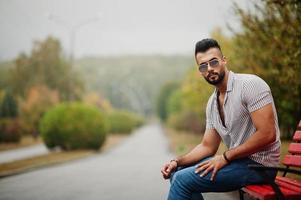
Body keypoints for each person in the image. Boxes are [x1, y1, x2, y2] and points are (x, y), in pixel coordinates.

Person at [160, 38, 281, 200]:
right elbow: (207, 146)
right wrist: (177, 161)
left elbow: (267, 134)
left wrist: (225, 157)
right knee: (178, 173)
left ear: (224, 60)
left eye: (213, 62)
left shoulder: (250, 85)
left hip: (260, 166)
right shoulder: (212, 103)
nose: (209, 68)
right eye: (203, 66)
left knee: (182, 181)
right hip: (238, 162)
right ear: (200, 71)